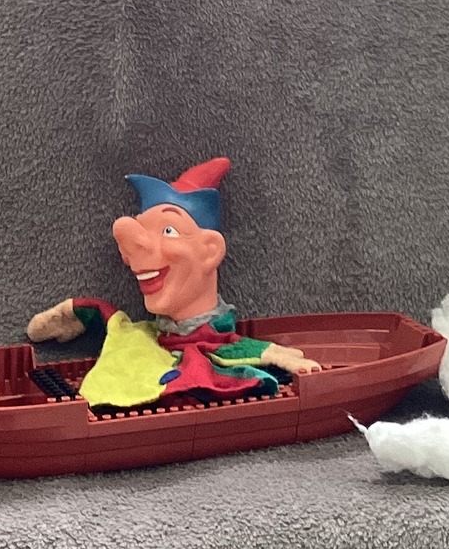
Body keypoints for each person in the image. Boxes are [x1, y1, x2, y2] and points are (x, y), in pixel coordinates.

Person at [26, 158, 320, 409]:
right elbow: (112, 321)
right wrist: (82, 311)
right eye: (142, 227)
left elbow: (229, 346)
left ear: (210, 250)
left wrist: (269, 352)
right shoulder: (137, 338)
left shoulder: (221, 339)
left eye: (168, 230)